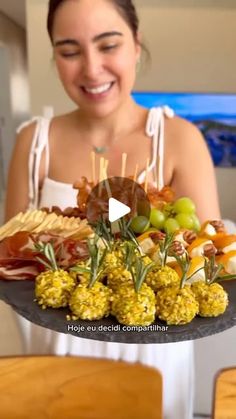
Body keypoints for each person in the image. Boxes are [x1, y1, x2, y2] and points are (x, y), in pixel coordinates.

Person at [5, 1, 221, 418]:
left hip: (155, 355)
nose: (91, 68)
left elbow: (207, 262)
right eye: (69, 51)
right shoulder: (33, 141)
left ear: (136, 46)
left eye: (108, 45)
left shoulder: (180, 138)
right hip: (56, 354)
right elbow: (11, 260)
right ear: (54, 57)